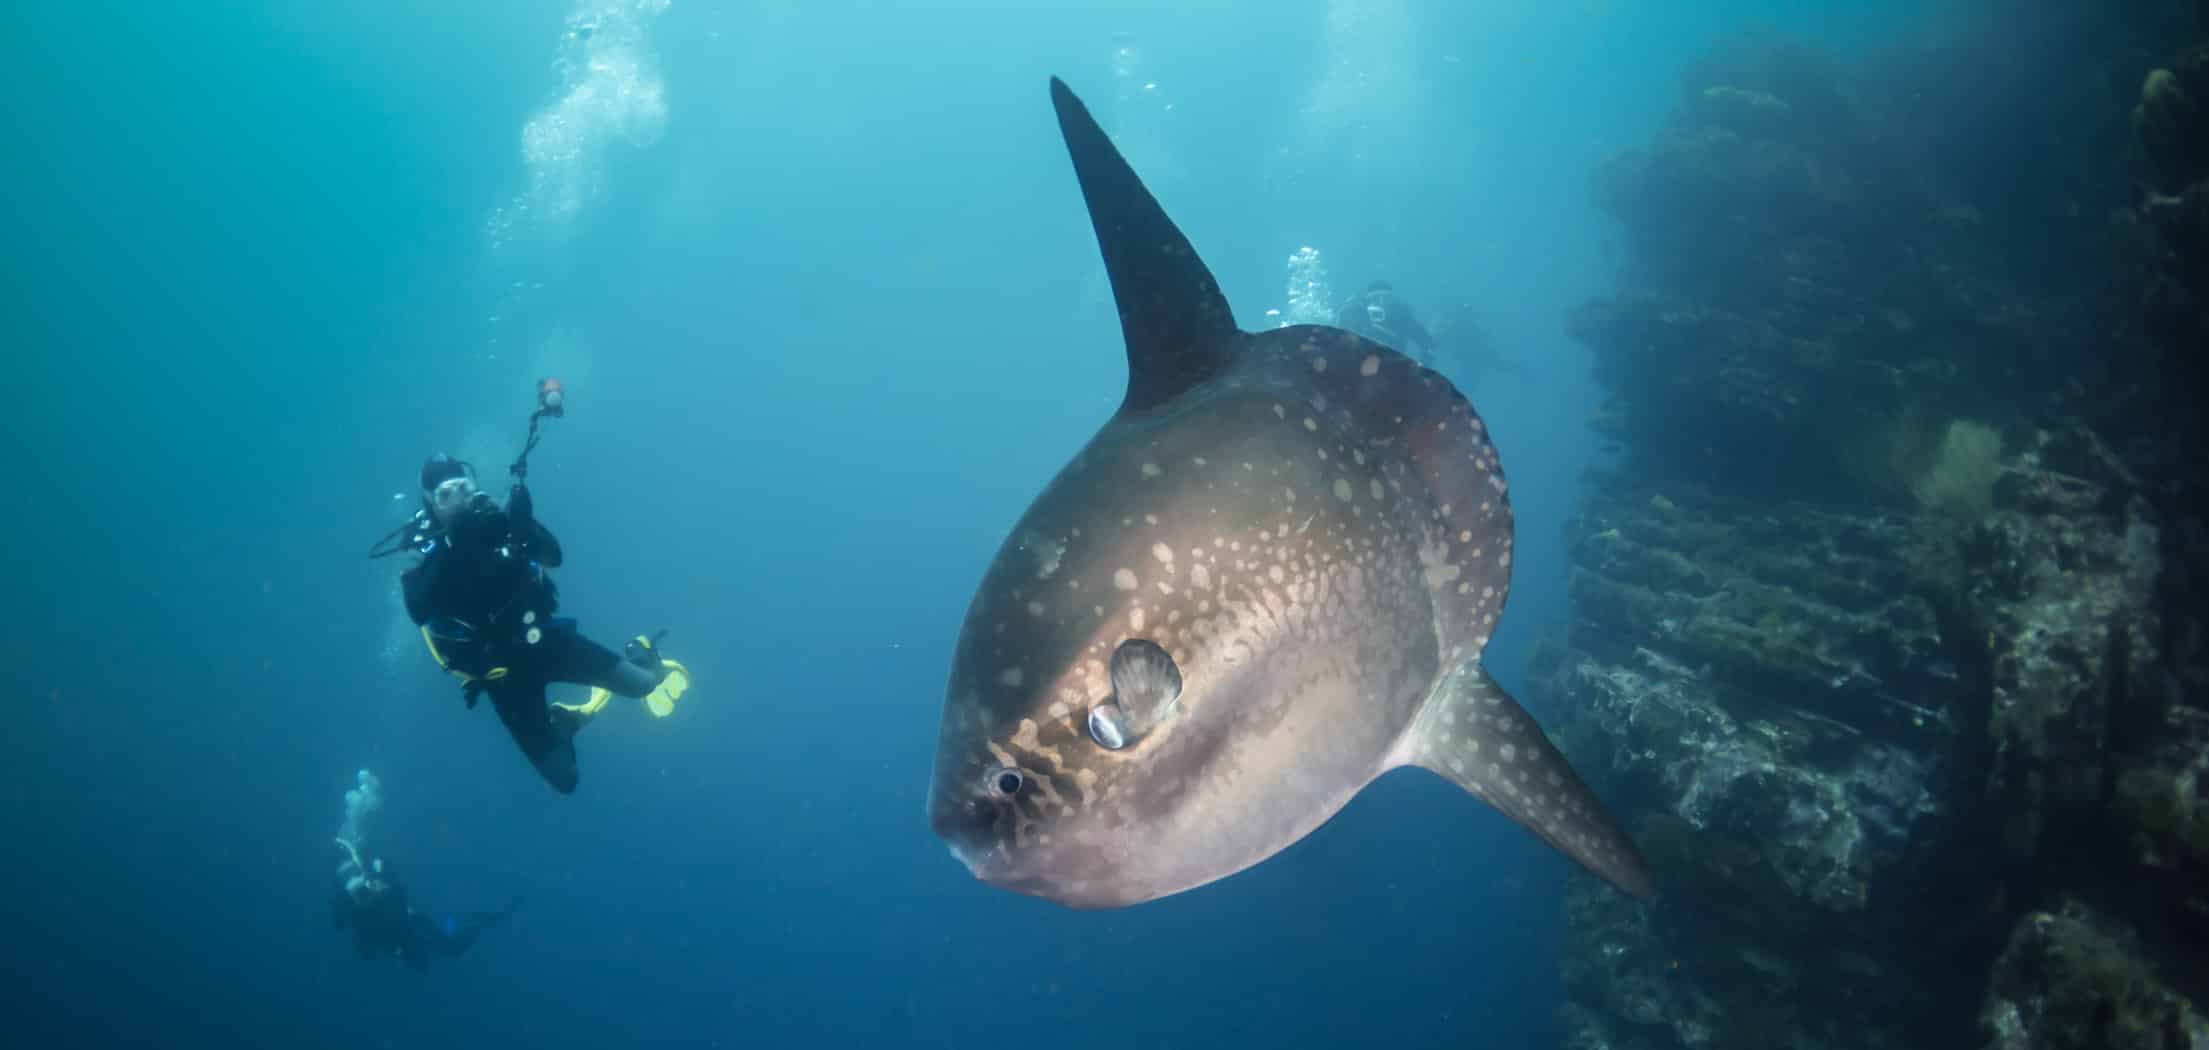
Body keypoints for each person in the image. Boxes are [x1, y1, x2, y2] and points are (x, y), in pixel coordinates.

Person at [396, 446, 684, 793]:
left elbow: (554, 556)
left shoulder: (495, 515)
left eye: (464, 487)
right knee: (566, 779)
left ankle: (640, 651)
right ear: (429, 501)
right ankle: (565, 723)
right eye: (446, 495)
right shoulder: (421, 543)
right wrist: (456, 546)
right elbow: (418, 610)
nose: (458, 499)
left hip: (544, 640)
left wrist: (521, 524)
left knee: (644, 685)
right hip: (500, 676)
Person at [333, 837, 514, 972]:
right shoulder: (352, 908)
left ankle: (475, 923)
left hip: (412, 926)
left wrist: (382, 884)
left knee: (452, 949)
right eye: (346, 877)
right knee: (422, 965)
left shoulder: (380, 886)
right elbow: (360, 946)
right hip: (399, 939)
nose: (357, 887)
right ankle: (456, 924)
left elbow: (399, 896)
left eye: (353, 873)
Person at [1335, 280, 1440, 366]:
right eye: (1375, 298)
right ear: (1367, 301)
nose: (1381, 303)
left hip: (1392, 371)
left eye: (1386, 299)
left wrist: (1422, 368)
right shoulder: (1357, 315)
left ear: (1392, 301)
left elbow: (1428, 343)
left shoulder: (1401, 318)